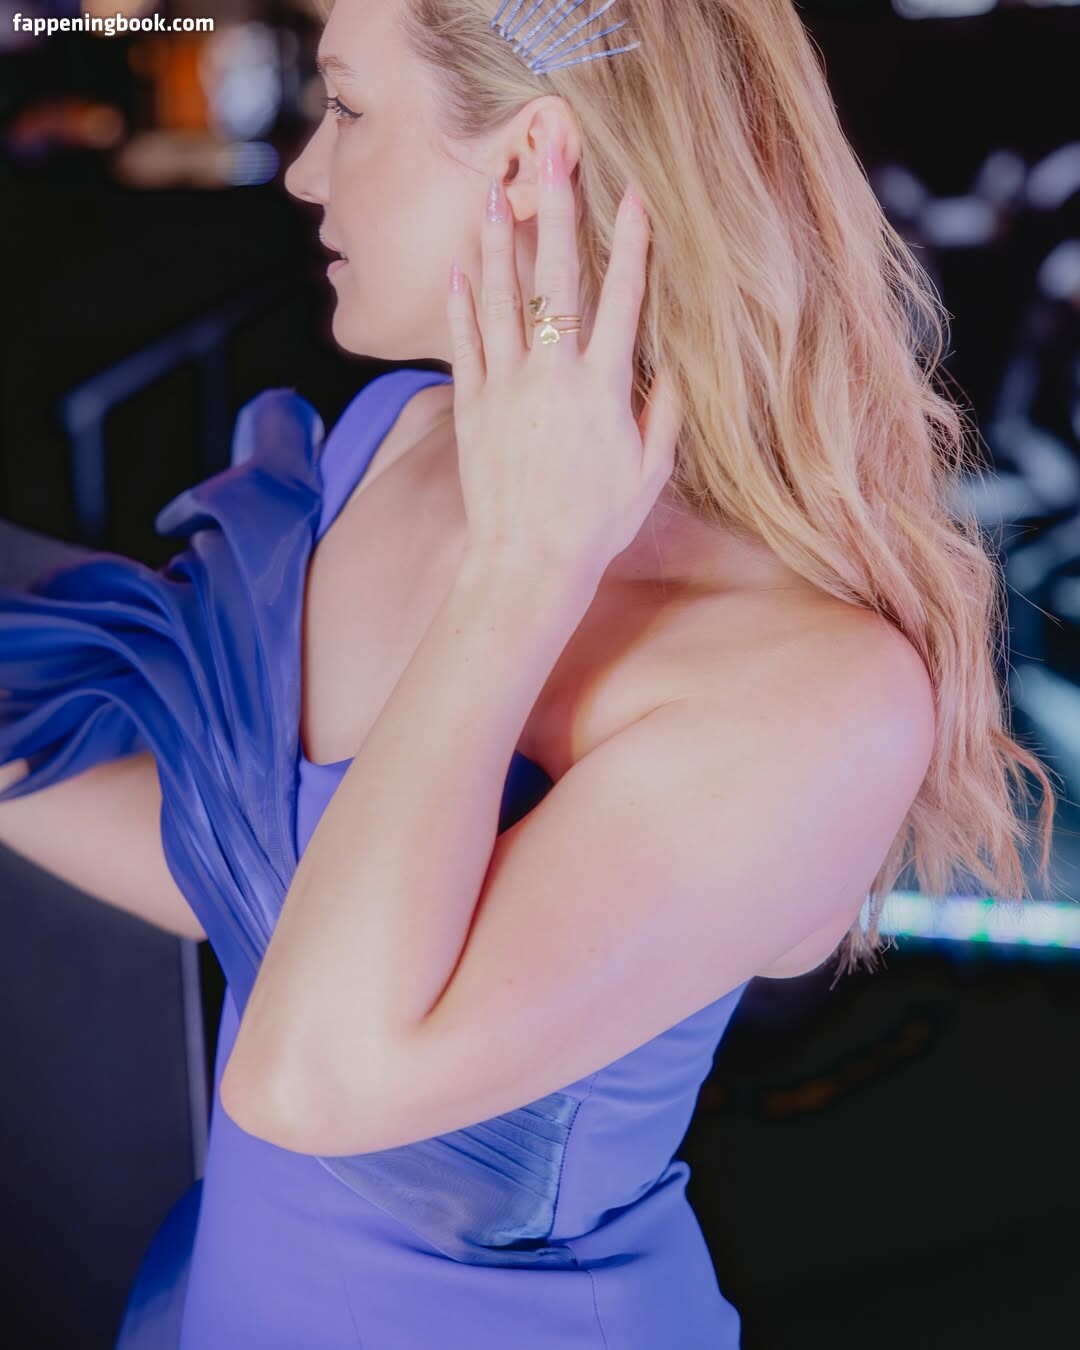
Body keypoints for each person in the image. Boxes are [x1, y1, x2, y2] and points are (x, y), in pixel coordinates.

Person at [0, 2, 1058, 1346]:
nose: (305, 172)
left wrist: (523, 570)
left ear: (526, 161)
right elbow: (255, 885)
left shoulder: (821, 689)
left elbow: (311, 1077)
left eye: (349, 106)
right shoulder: (394, 445)